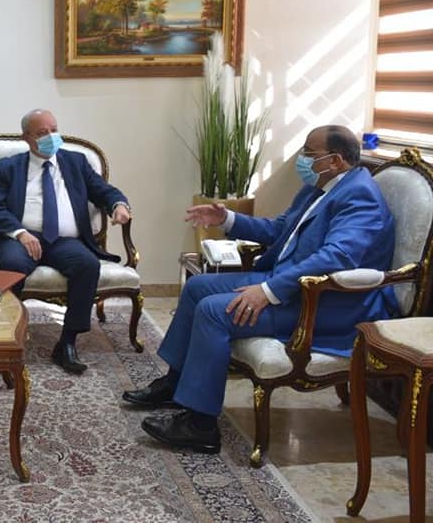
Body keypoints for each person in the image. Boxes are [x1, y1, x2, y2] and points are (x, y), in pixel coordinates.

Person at [123, 125, 397, 454]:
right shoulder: (318, 188)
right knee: (197, 287)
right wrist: (226, 219)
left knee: (213, 312)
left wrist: (267, 291)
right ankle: (175, 384)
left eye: (309, 154)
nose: (302, 160)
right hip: (292, 283)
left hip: (327, 303)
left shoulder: (360, 196)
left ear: (335, 160)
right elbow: (279, 229)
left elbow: (337, 257)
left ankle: (200, 426)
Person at [0, 108, 131, 375]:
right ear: (26, 138)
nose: (50, 137)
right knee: (13, 264)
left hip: (63, 241)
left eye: (54, 130)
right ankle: (4, 339)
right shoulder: (8, 167)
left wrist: (118, 204)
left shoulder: (76, 162)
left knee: (87, 264)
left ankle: (67, 342)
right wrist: (20, 233)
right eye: (42, 133)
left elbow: (103, 190)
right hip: (23, 238)